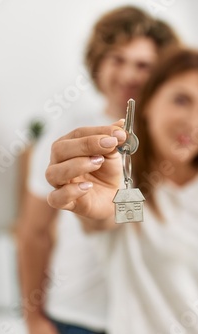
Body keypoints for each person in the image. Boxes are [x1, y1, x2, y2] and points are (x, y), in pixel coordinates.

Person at [44, 48, 198, 334]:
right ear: (148, 102)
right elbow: (102, 217)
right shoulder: (124, 184)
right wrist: (92, 205)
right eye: (182, 100)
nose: (195, 122)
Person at [16, 6, 179, 334]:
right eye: (117, 59)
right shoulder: (64, 134)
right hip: (75, 315)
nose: (129, 75)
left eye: (143, 64)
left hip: (151, 316)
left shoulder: (179, 139)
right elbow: (33, 232)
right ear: (98, 63)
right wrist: (33, 317)